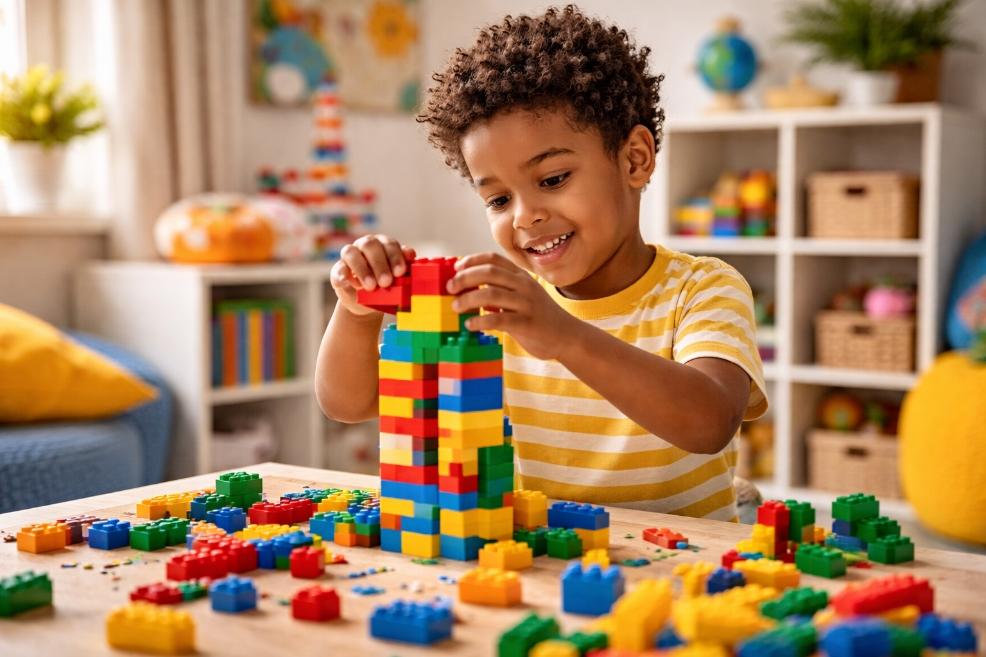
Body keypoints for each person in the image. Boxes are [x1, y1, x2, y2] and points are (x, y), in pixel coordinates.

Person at [316, 4, 767, 521]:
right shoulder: (490, 303)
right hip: (536, 563)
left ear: (634, 159)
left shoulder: (702, 288)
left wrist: (565, 336)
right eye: (498, 200)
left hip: (678, 566)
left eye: (552, 180)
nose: (525, 217)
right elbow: (348, 404)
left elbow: (708, 422)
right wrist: (356, 313)